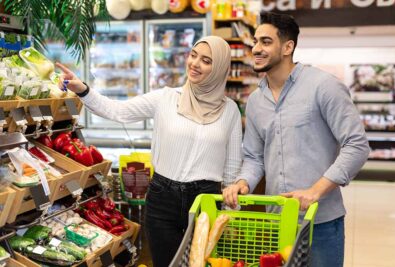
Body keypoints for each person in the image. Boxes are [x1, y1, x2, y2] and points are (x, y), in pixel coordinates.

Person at [57, 36, 242, 267]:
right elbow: (118, 112)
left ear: (220, 68)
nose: (195, 63)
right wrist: (83, 89)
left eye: (206, 60)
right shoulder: (165, 98)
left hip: (206, 199)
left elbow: (233, 167)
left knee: (204, 263)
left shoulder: (230, 111)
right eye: (193, 55)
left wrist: (232, 214)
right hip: (163, 197)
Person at [222, 12, 369, 267]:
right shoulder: (256, 101)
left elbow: (356, 145)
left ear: (288, 47)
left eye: (265, 42)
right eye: (255, 41)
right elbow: (255, 157)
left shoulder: (323, 86)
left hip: (321, 222)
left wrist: (315, 191)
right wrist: (243, 182)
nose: (256, 48)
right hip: (278, 221)